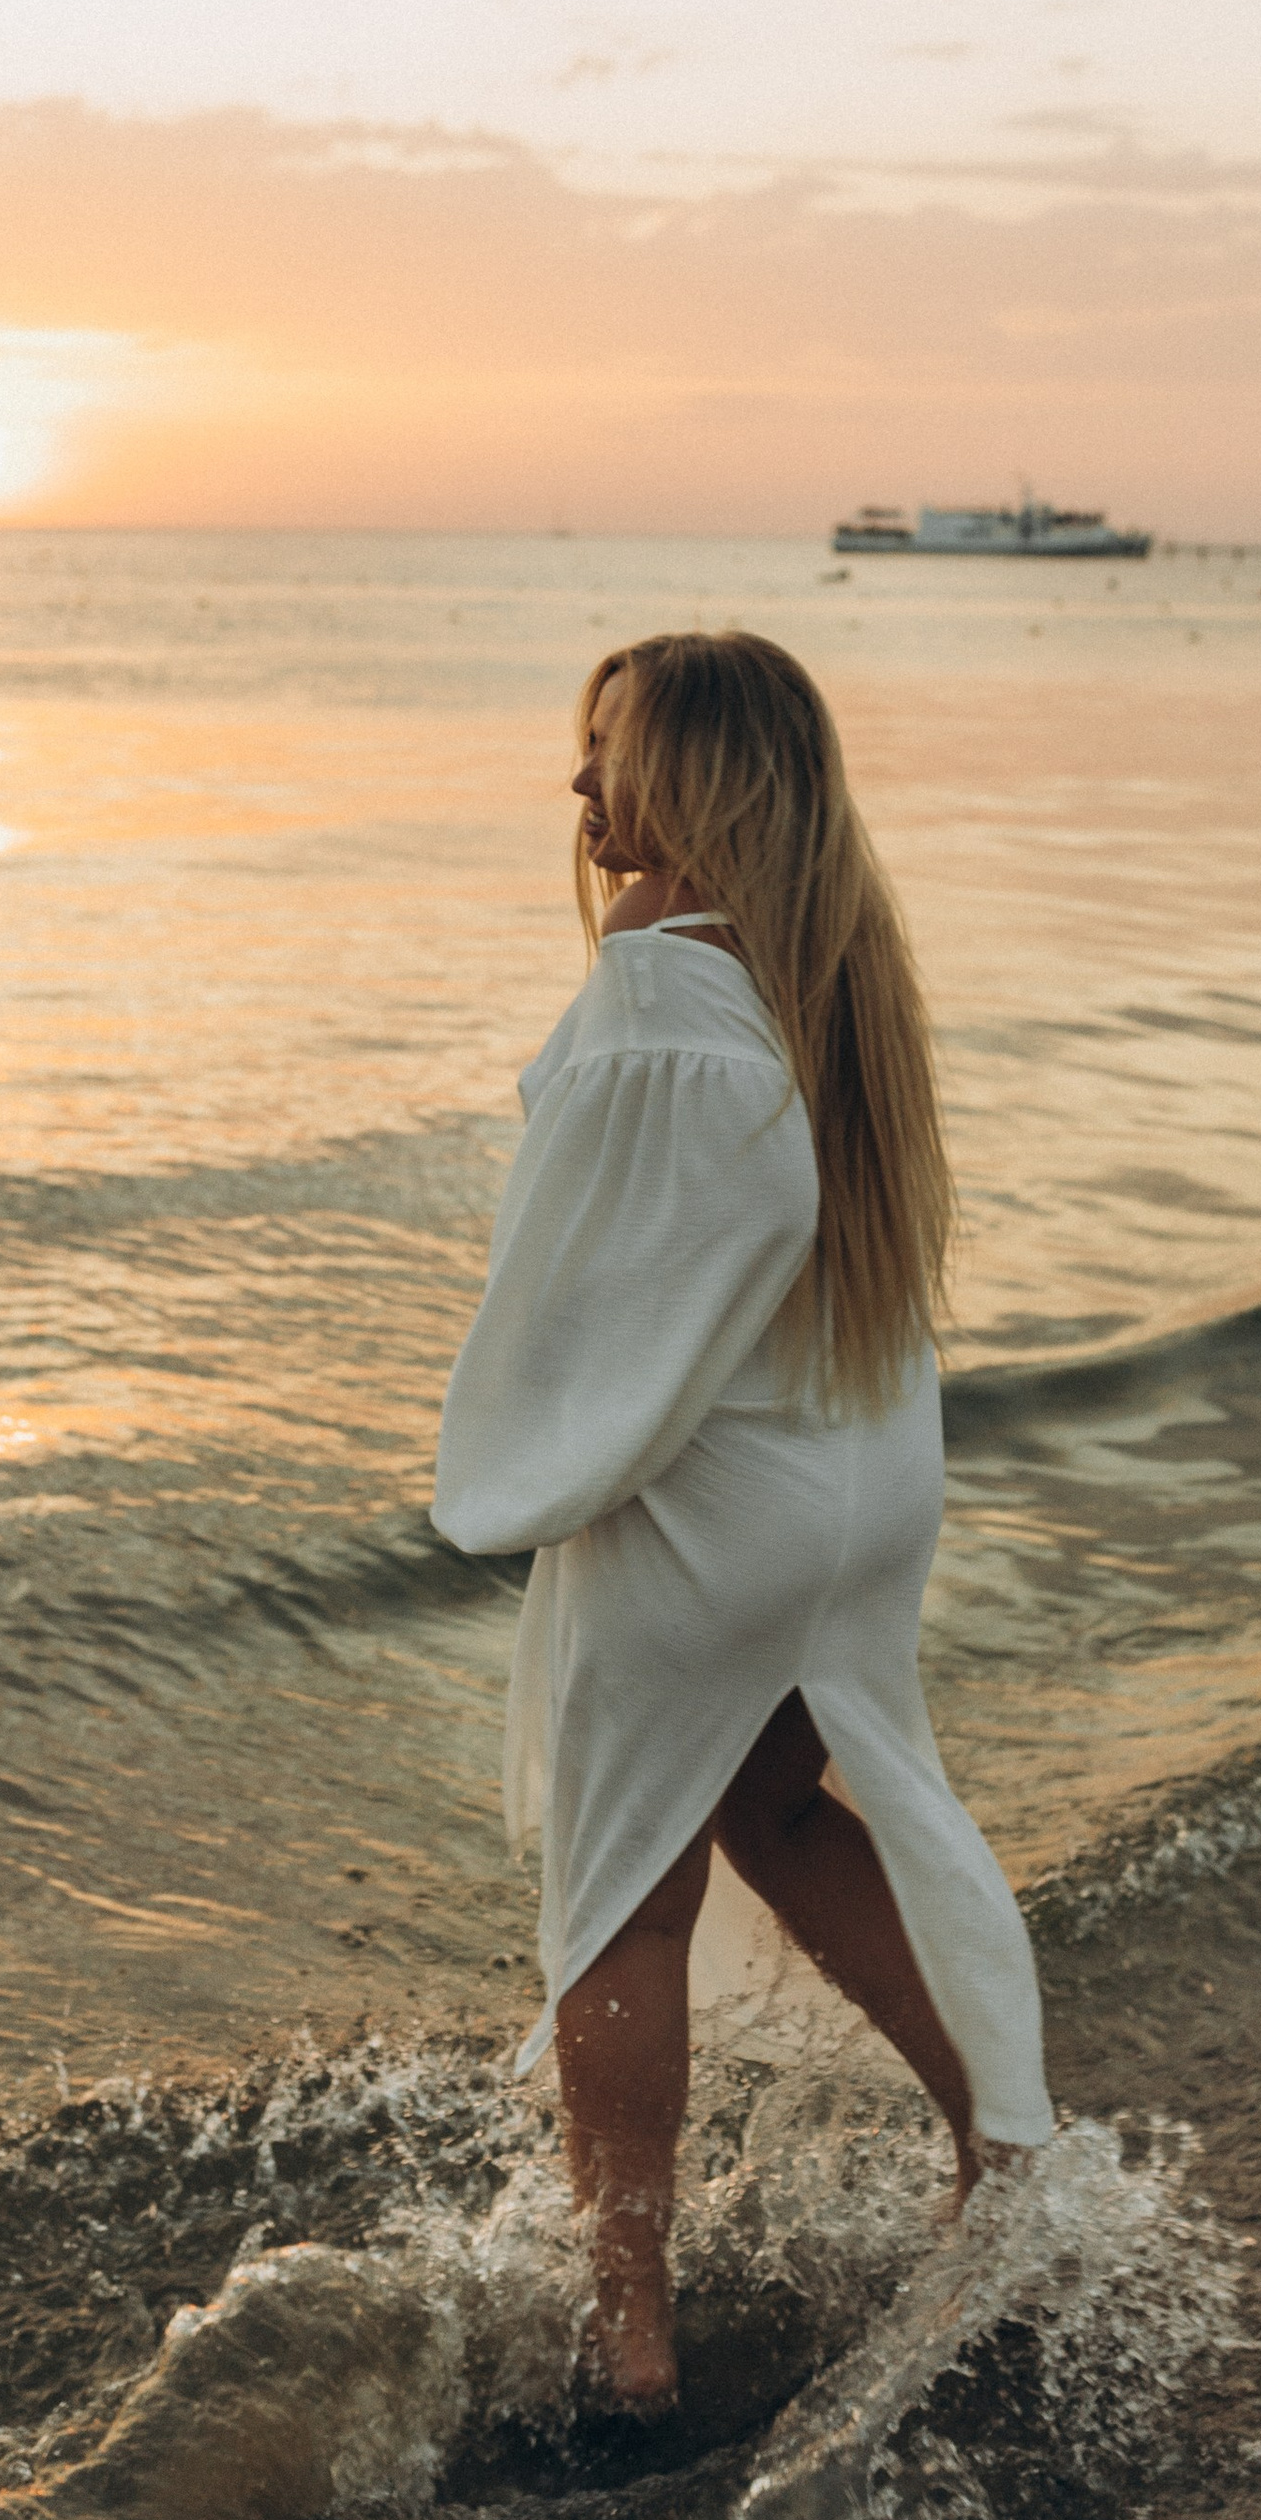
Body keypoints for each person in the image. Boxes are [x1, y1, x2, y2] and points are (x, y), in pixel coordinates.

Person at [433, 629, 1055, 2413]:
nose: (577, 788)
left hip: (720, 1501)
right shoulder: (829, 974)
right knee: (782, 1799)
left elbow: (596, 1296)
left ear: (700, 778)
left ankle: (624, 2330)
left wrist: (520, 1461)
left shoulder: (653, 990)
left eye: (608, 751)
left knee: (620, 1888)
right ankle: (997, 2146)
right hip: (855, 1474)